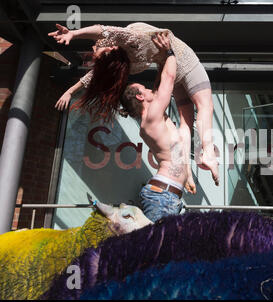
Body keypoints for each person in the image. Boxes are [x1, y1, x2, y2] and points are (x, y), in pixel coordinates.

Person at [48, 22, 219, 194]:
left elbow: (103, 34)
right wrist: (74, 34)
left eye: (96, 50)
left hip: (171, 63)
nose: (93, 50)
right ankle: (208, 152)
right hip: (180, 60)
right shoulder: (128, 44)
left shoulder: (128, 43)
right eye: (97, 50)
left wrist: (75, 35)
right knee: (205, 105)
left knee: (185, 123)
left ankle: (188, 172)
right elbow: (103, 33)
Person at [118, 33, 185, 221]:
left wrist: (161, 59)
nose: (150, 90)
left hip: (166, 195)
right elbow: (169, 78)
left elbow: (159, 84)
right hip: (162, 196)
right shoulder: (152, 117)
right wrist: (169, 52)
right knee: (154, 250)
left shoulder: (152, 119)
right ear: (140, 97)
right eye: (145, 89)